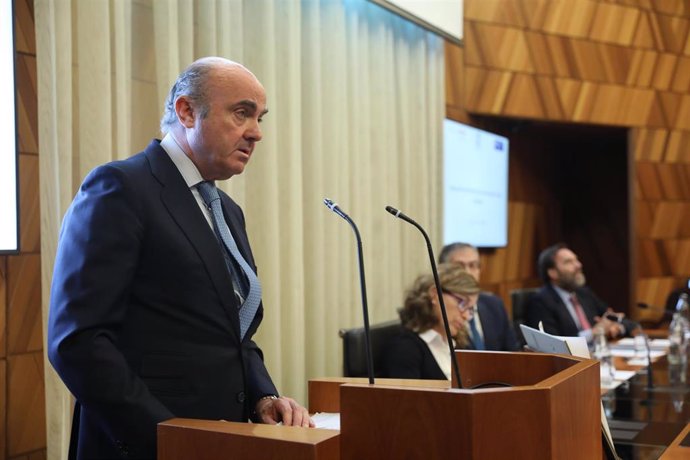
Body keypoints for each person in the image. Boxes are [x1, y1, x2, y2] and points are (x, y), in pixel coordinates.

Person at [47, 57, 312, 460]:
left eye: (260, 118)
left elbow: (233, 335)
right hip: (144, 446)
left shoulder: (225, 209)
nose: (256, 133)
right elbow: (78, 341)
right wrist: (169, 436)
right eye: (242, 113)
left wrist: (263, 396)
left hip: (221, 439)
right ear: (187, 111)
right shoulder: (120, 187)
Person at [381, 264, 478, 380]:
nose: (466, 316)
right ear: (435, 295)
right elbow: (409, 398)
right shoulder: (405, 350)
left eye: (470, 309)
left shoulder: (461, 343)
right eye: (462, 304)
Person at [525, 243, 637, 340]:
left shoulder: (584, 294)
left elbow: (620, 320)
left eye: (576, 260)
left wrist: (616, 328)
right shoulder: (540, 301)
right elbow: (552, 345)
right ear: (553, 273)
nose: (578, 265)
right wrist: (595, 333)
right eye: (568, 262)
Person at [438, 242, 521, 351]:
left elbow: (512, 353)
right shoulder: (439, 309)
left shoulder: (494, 304)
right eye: (459, 266)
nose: (467, 272)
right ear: (443, 270)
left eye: (472, 265)